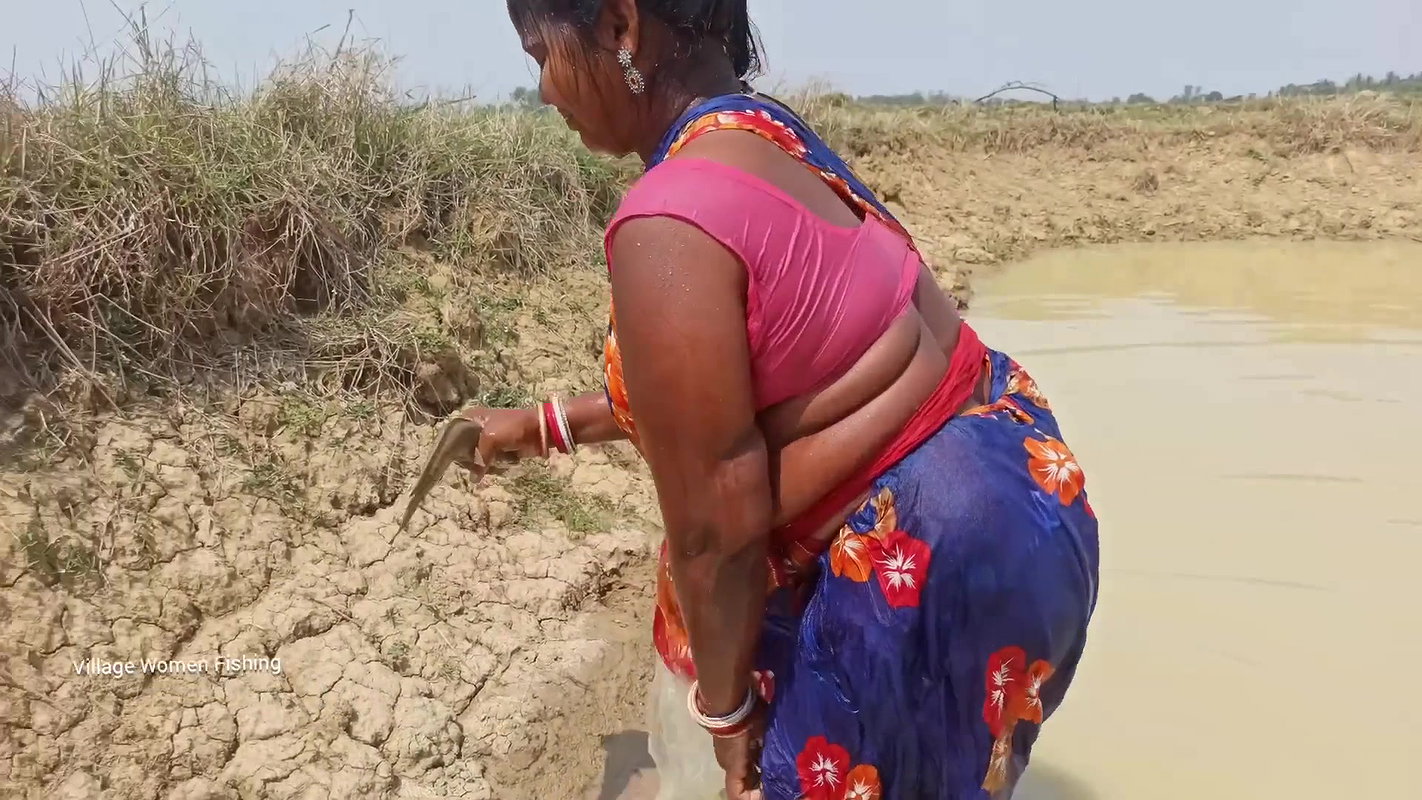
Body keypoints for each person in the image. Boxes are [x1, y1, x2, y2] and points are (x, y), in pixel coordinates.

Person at [460, 1, 1101, 798]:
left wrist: (728, 720)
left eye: (541, 56)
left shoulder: (665, 222)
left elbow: (715, 529)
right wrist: (545, 425)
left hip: (919, 568)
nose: (546, 92)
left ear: (621, 26)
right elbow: (767, 382)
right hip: (1029, 505)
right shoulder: (768, 136)